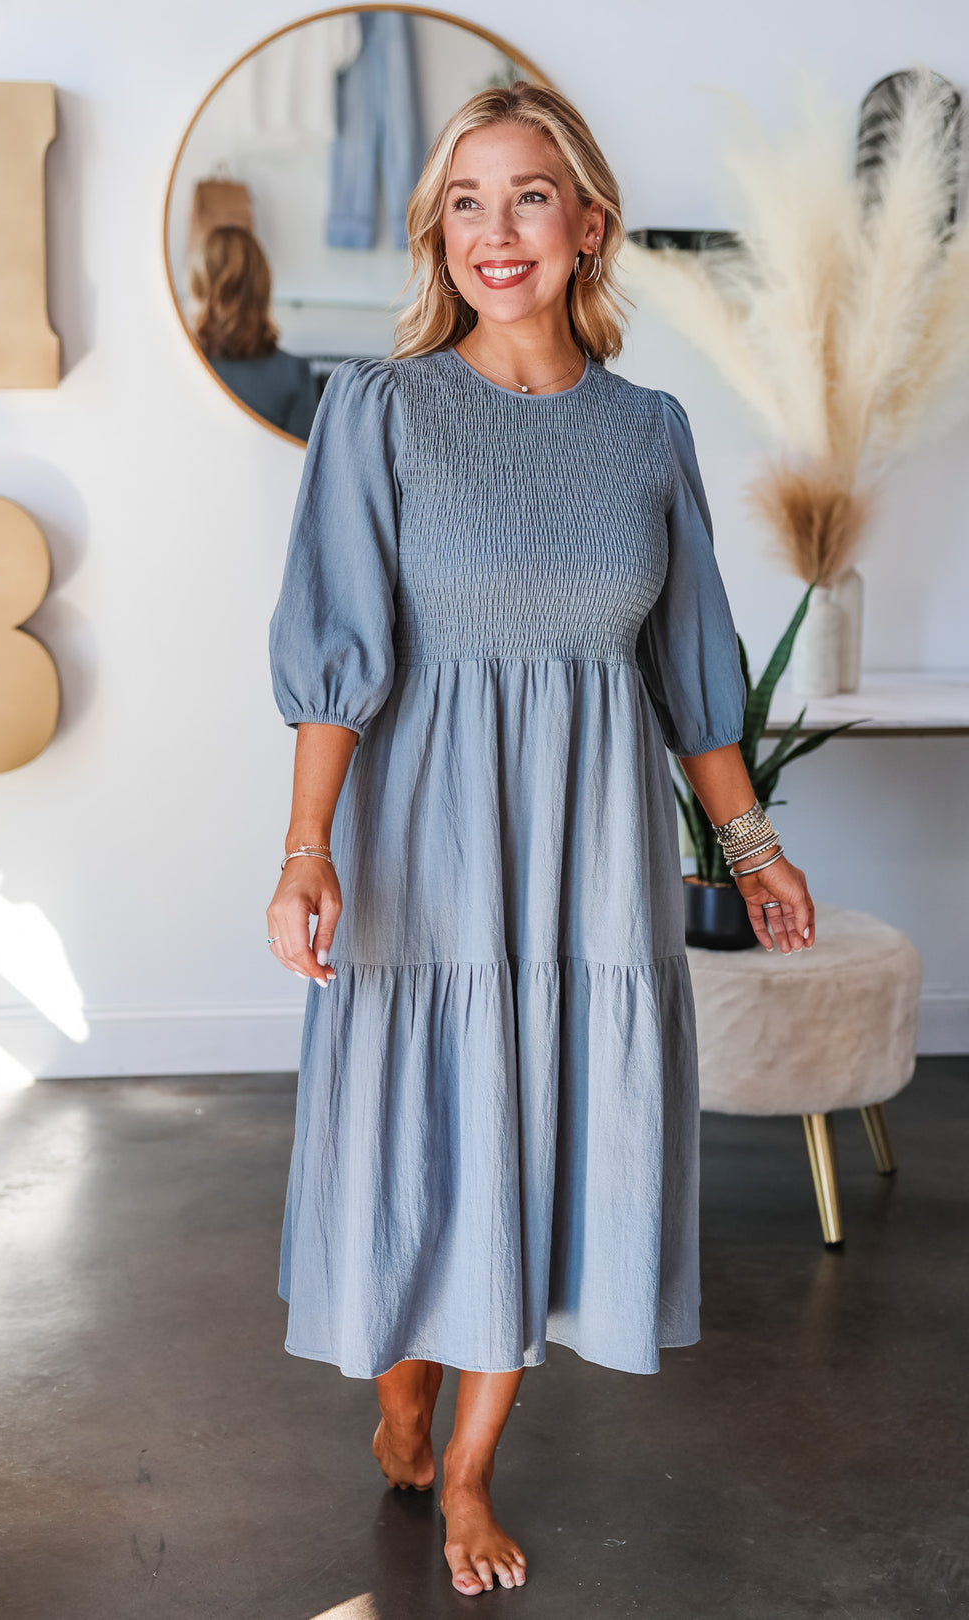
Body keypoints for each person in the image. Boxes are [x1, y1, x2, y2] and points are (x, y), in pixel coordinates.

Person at [265, 81, 815, 1597]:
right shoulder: (380, 410)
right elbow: (337, 652)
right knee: (426, 1156)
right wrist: (305, 850)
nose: (495, 234)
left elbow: (692, 673)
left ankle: (469, 1479)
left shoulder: (648, 432)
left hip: (590, 850)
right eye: (465, 202)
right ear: (438, 232)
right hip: (420, 845)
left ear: (588, 224)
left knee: (550, 1129)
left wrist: (752, 848)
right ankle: (405, 1397)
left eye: (527, 199)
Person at [190, 224, 319, 440]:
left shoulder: (180, 365)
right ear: (262, 288)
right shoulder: (295, 374)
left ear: (197, 287)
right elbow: (302, 467)